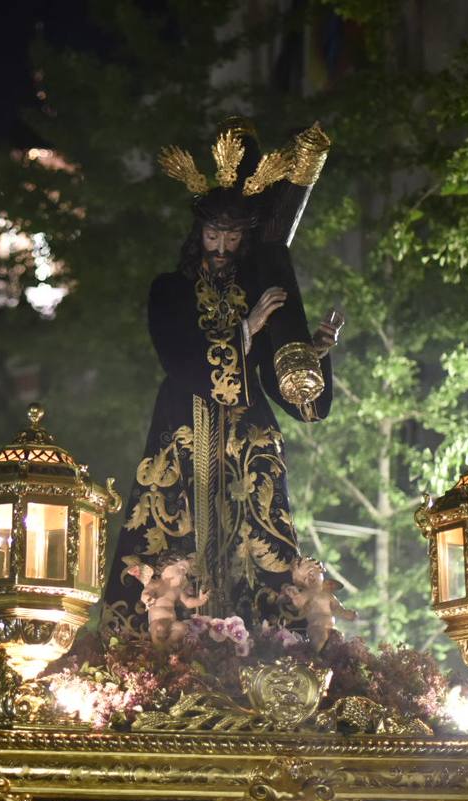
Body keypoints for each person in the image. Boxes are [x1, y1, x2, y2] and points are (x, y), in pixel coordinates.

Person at [104, 120, 339, 632]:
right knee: (172, 544)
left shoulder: (257, 285)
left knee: (258, 540)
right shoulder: (170, 291)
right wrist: (247, 329)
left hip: (246, 437)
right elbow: (180, 359)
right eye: (213, 235)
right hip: (184, 430)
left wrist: (313, 357)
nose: (221, 246)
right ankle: (161, 649)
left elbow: (287, 391)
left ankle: (268, 643)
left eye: (232, 237)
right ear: (198, 233)